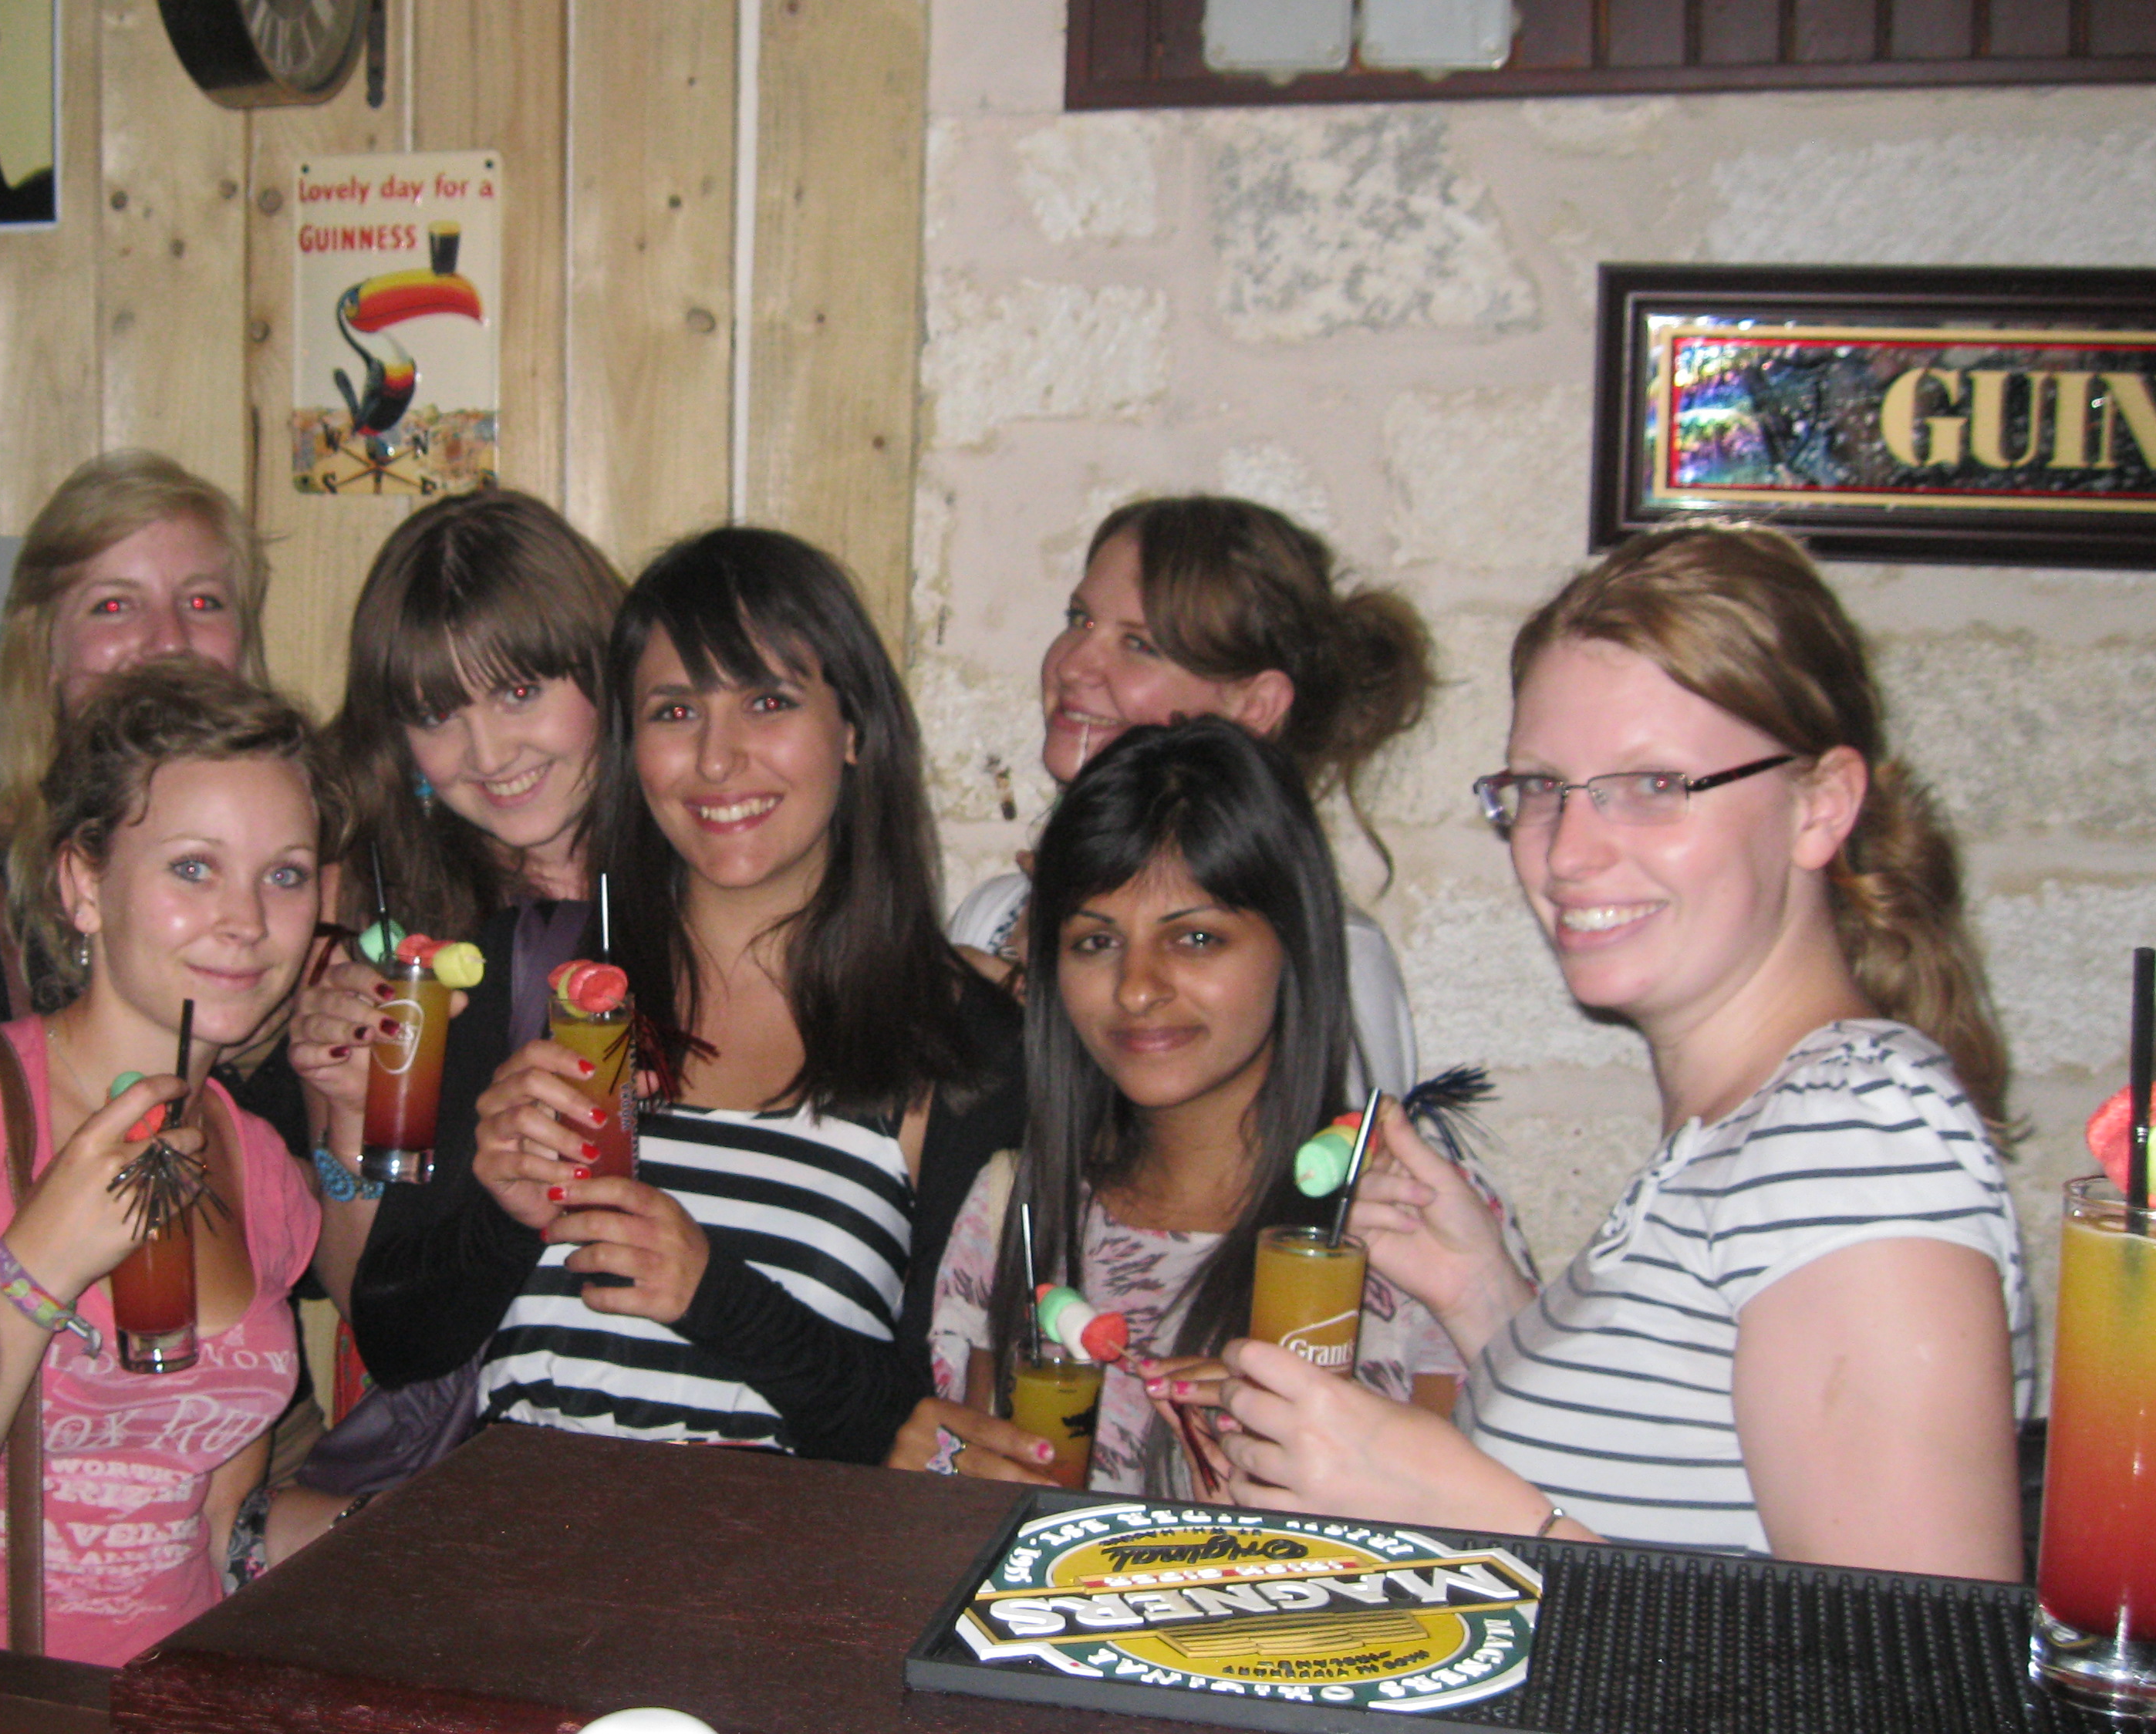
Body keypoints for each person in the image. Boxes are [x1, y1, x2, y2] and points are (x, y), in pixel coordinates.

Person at [1215, 524, 2033, 1578]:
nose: (1567, 851)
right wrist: (1489, 1303)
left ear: (1819, 806)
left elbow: (1907, 1660)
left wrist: (1470, 1515)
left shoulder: (1854, 1137)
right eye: (1539, 788)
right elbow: (1679, 1506)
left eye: (1652, 786)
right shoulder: (1742, 1137)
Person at [350, 527, 1024, 1462]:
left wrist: (713, 1293)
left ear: (854, 728)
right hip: (510, 1537)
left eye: (767, 701)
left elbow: (944, 1438)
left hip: (783, 1551)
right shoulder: (530, 972)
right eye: (674, 712)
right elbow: (395, 1344)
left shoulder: (966, 1042)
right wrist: (498, 1215)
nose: (715, 759)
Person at [0, 662, 325, 1666]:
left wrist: (419, 1534)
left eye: (285, 874)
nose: (247, 919)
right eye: (194, 868)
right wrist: (38, 1266)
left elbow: (223, 1527)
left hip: (178, 1695)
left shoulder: (261, 1165)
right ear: (83, 886)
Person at [923, 718, 1526, 1495]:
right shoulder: (1016, 1206)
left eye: (1196, 939)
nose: (1137, 988)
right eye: (1096, 942)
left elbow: (1487, 1542)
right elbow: (986, 1503)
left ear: (1293, 942)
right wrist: (934, 1484)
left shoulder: (1411, 1222)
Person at [948, 496, 1432, 1096]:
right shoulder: (994, 913)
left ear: (1254, 707)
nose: (1073, 665)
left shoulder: (1333, 957)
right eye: (1080, 620)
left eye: (1139, 645)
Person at [0, 448, 265, 1071]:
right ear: (44, 650)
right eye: (114, 605)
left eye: (203, 603)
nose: (171, 640)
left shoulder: (281, 886)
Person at [286, 489, 626, 1219]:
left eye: (519, 691)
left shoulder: (706, 883)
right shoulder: (362, 918)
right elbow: (357, 1279)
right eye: (437, 714)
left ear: (607, 669)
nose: (489, 755)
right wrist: (351, 1115)